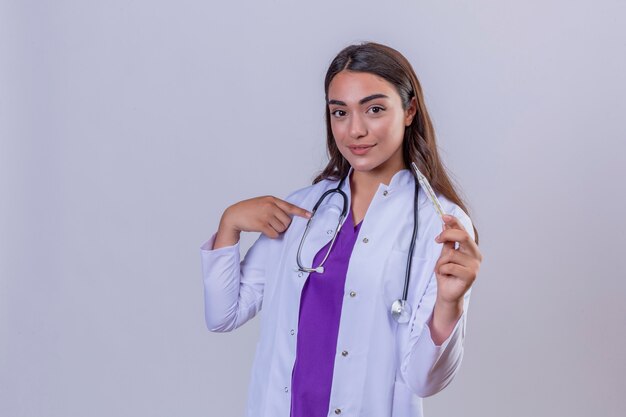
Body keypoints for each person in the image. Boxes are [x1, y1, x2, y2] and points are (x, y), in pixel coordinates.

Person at [200, 41, 483, 417]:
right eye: (340, 112)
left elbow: (423, 381)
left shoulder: (440, 223)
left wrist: (450, 304)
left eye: (375, 109)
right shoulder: (304, 208)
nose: (355, 130)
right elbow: (224, 315)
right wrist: (229, 224)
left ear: (409, 110)